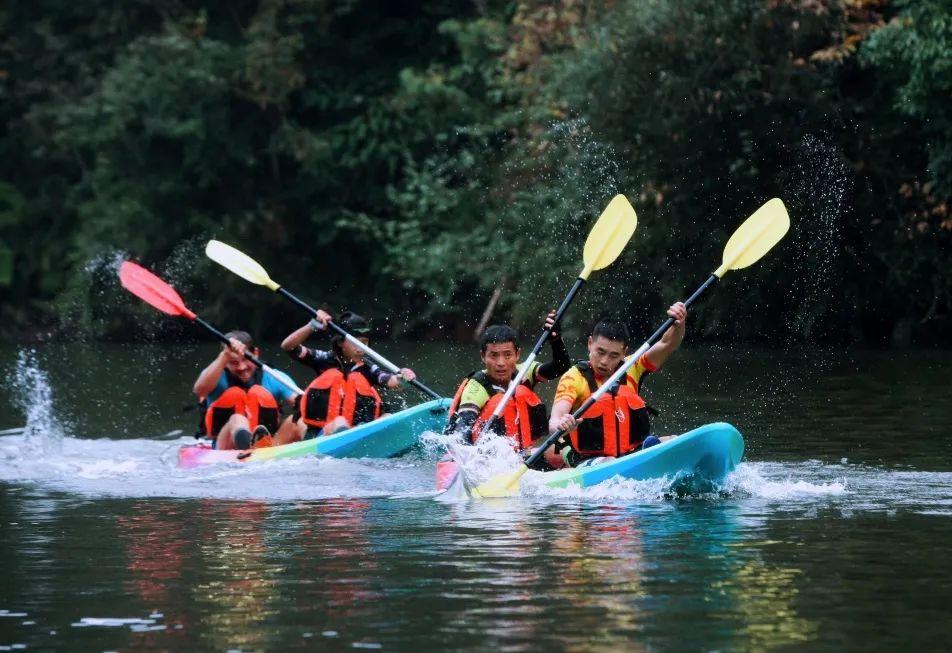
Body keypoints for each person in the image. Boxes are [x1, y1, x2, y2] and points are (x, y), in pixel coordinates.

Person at [547, 302, 688, 468]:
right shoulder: (574, 377)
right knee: (610, 462)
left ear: (624, 352)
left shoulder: (632, 367)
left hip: (630, 453)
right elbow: (554, 421)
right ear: (590, 343)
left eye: (614, 355)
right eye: (600, 352)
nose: (605, 361)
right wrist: (563, 424)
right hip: (589, 459)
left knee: (674, 440)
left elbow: (667, 344)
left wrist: (679, 322)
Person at [276, 310, 416, 444]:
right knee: (340, 422)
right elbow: (288, 347)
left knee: (388, 417)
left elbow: (389, 381)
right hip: (324, 435)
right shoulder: (324, 360)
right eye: (356, 342)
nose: (360, 348)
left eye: (365, 343)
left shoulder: (367, 368)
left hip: (359, 431)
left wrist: (402, 377)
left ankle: (367, 438)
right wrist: (312, 326)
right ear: (340, 342)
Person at [444, 311, 570, 452]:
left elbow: (561, 367)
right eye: (494, 355)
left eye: (508, 355)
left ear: (518, 354)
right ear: (483, 356)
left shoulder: (524, 372)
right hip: (488, 458)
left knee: (561, 449)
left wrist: (556, 339)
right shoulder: (476, 387)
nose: (501, 363)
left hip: (524, 453)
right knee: (497, 401)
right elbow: (463, 430)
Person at [192, 331, 301, 450]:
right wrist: (224, 355)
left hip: (270, 446)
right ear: (225, 362)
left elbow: (301, 403)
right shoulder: (215, 375)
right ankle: (248, 447)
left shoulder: (273, 376)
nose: (242, 367)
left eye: (245, 359)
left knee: (297, 419)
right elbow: (200, 390)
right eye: (233, 362)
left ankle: (320, 438)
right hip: (226, 447)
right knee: (237, 419)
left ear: (255, 353)